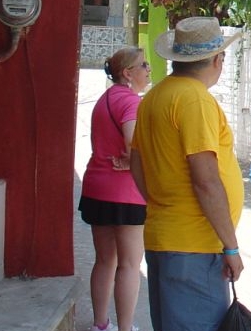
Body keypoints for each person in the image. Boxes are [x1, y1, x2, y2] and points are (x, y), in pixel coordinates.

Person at [130, 17, 245, 331]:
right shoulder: (195, 99)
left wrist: (163, 203)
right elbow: (206, 180)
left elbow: (136, 163)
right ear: (217, 59)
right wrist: (231, 246)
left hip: (167, 236)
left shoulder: (155, 96)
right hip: (194, 244)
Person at [79, 47, 150, 331]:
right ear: (127, 73)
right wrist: (134, 160)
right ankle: (126, 328)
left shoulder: (105, 99)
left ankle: (100, 324)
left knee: (105, 260)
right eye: (143, 65)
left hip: (97, 187)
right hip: (126, 192)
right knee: (130, 265)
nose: (148, 69)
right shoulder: (131, 102)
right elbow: (133, 143)